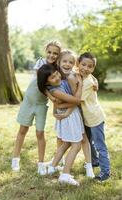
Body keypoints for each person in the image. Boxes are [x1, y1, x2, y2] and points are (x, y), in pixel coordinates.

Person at [37, 62, 94, 186]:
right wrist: (80, 84)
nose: (57, 77)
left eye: (57, 74)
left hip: (70, 115)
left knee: (67, 143)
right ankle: (65, 174)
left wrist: (59, 105)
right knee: (76, 145)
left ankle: (52, 166)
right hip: (70, 118)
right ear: (47, 82)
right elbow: (77, 100)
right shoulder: (56, 91)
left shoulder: (56, 85)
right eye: (52, 77)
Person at [11, 40, 61, 175]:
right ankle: (15, 158)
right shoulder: (40, 63)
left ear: (59, 55)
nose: (52, 55)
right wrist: (50, 96)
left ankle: (40, 163)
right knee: (23, 129)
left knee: (40, 133)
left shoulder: (57, 69)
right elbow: (41, 83)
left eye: (55, 53)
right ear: (46, 52)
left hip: (40, 105)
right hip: (29, 101)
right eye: (49, 52)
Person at [51, 50, 95, 178]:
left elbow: (77, 98)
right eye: (64, 61)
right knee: (72, 140)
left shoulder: (72, 75)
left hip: (75, 110)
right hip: (71, 112)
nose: (67, 64)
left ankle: (88, 166)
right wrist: (57, 109)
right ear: (59, 62)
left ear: (74, 64)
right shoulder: (59, 77)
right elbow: (74, 99)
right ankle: (58, 166)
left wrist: (94, 81)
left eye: (71, 62)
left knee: (83, 139)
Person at [77, 52, 110, 181]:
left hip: (95, 118)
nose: (85, 68)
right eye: (83, 64)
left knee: (99, 145)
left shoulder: (88, 82)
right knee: (88, 142)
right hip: (87, 118)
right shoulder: (85, 77)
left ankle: (105, 171)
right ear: (78, 64)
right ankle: (94, 161)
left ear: (93, 69)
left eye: (89, 66)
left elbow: (78, 99)